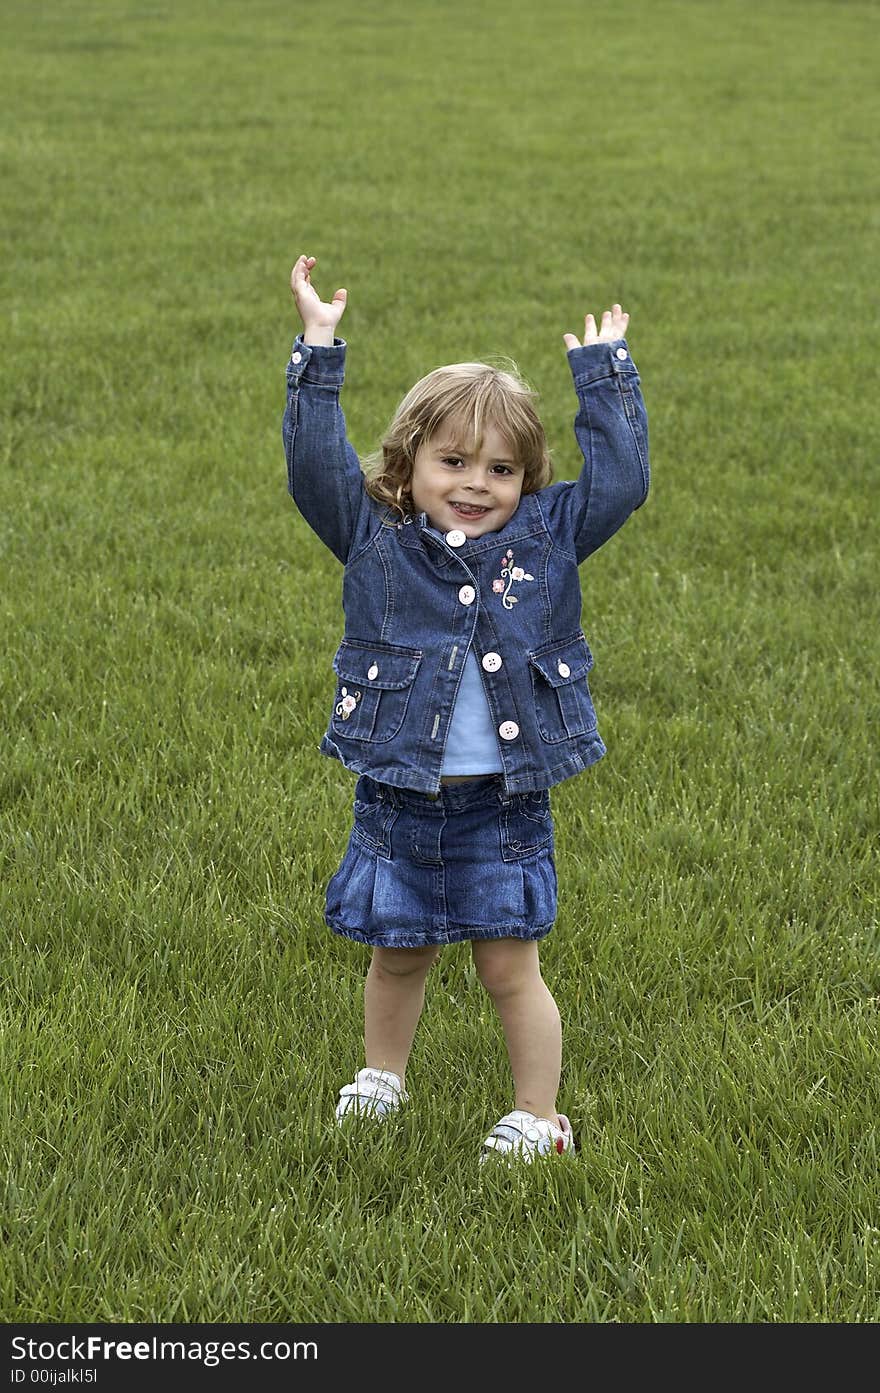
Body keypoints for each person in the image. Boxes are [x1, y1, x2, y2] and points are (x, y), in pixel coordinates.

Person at [282, 254, 649, 1163]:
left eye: (502, 468)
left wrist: (604, 378)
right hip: (400, 792)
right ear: (407, 467)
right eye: (453, 462)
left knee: (507, 965)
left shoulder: (548, 538)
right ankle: (381, 1077)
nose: (478, 483)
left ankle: (538, 1115)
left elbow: (622, 484)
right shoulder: (375, 538)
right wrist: (316, 352)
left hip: (504, 801)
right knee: (397, 952)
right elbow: (312, 469)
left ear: (528, 479)